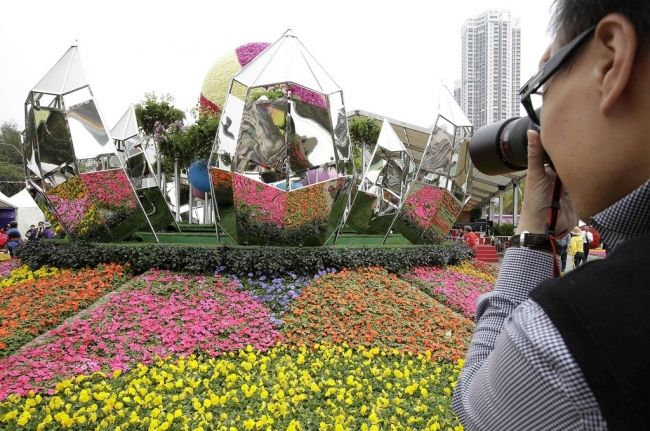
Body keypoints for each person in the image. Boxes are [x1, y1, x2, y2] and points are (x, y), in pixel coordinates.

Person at [453, 1, 650, 429]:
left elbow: (477, 409)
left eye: (542, 89)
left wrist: (531, 237)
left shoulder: (580, 334)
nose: (543, 126)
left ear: (611, 61)